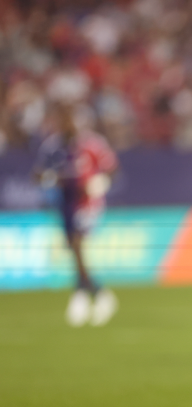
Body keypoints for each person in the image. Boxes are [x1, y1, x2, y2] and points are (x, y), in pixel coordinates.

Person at [34, 102, 119, 327]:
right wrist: (52, 179)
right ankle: (86, 293)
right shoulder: (52, 146)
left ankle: (96, 294)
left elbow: (112, 168)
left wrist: (99, 182)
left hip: (88, 202)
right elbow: (38, 173)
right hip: (65, 203)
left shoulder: (92, 144)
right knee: (73, 248)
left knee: (77, 243)